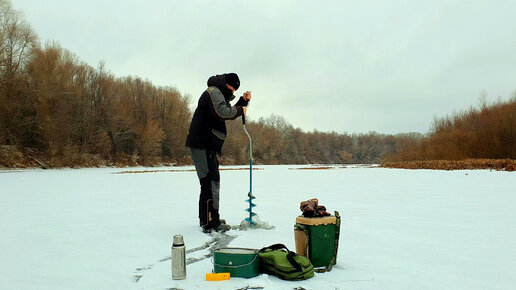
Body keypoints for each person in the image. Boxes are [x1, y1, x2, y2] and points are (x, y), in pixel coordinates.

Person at [185, 73, 251, 233]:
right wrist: (240, 110)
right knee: (210, 181)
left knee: (210, 181)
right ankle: (210, 222)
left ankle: (208, 219)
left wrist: (244, 102)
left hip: (207, 145)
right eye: (233, 88)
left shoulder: (217, 93)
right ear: (227, 83)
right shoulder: (213, 91)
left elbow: (226, 108)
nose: (233, 91)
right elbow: (222, 112)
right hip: (203, 144)